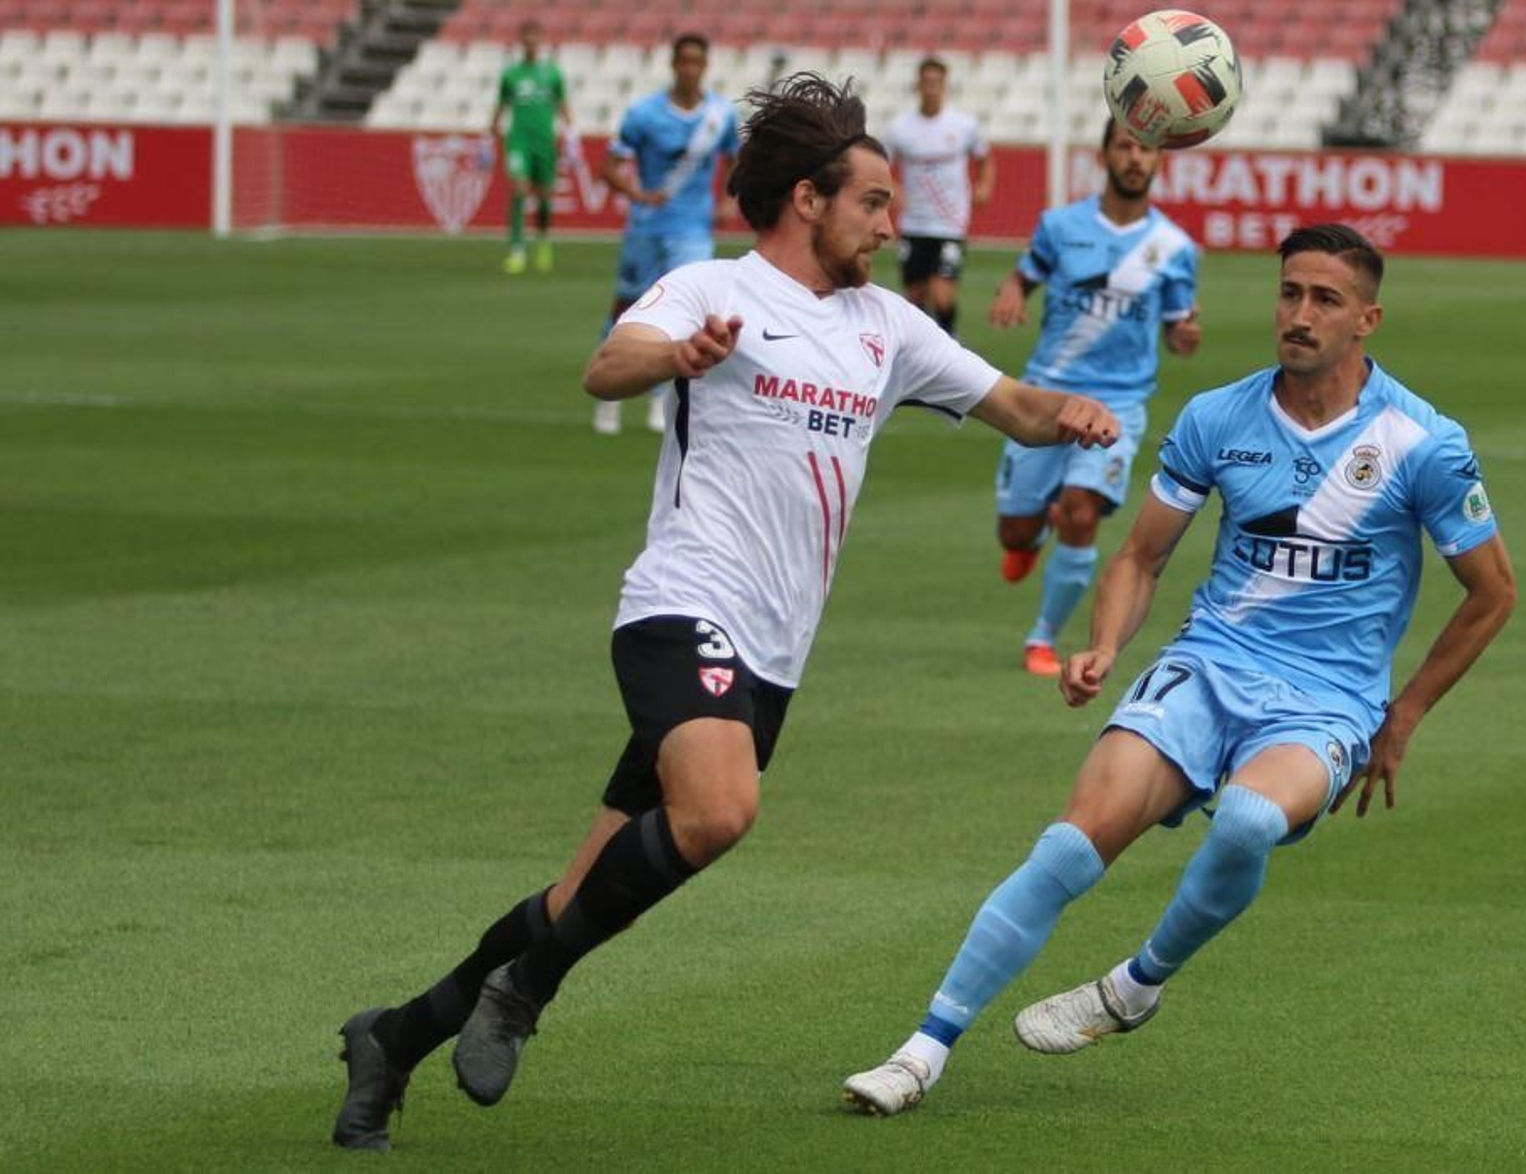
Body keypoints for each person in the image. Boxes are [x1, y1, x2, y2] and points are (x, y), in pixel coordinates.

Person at [330, 73, 1122, 1151]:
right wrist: (682, 352)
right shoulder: (708, 285)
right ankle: (523, 995)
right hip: (681, 604)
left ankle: (393, 1036)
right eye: (874, 204)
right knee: (718, 814)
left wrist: (1067, 413)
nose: (893, 227)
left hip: (773, 651)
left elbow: (1013, 406)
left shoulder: (885, 327)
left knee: (582, 888)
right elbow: (606, 365)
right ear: (808, 199)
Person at [842, 223, 1517, 1117]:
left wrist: (1406, 715)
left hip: (1327, 701)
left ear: (1368, 320)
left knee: (1244, 822)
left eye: (1325, 300)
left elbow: (1493, 591)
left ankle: (1135, 984)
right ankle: (922, 1050)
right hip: (1207, 666)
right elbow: (1139, 559)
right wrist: (1107, 645)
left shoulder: (1422, 441)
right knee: (1070, 846)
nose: (1300, 314)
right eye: (1289, 293)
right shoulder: (1219, 418)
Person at [991, 117, 1201, 678]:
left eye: (1147, 150)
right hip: (1045, 396)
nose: (1136, 158)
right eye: (1126, 146)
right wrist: (1012, 291)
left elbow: (1180, 326)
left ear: (1159, 163)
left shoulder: (1174, 248)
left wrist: (1183, 337)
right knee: (1013, 531)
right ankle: (1030, 533)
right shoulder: (1059, 227)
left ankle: (1042, 638)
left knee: (1083, 514)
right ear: (1105, 155)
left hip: (1119, 405)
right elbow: (1024, 275)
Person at [592, 33, 740, 436]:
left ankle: (661, 398)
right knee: (626, 307)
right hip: (647, 226)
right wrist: (639, 194)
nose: (690, 69)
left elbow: (735, 159)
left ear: (705, 66)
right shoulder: (644, 114)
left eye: (698, 62)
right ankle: (609, 395)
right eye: (685, 61)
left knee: (687, 313)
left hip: (693, 230)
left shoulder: (720, 115)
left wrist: (728, 198)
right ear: (674, 65)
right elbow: (608, 168)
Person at [880, 57, 995, 337]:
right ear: (917, 85)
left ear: (945, 85)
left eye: (937, 82)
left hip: (949, 223)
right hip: (914, 223)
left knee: (942, 295)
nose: (931, 88)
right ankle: (920, 355)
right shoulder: (898, 127)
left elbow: (985, 158)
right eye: (926, 82)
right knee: (916, 297)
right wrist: (892, 189)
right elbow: (878, 165)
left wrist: (984, 185)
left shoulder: (964, 125)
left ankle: (949, 344)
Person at [489, 20, 573, 275]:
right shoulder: (511, 74)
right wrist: (490, 132)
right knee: (519, 189)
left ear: (541, 40)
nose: (530, 42)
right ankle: (517, 250)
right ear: (521, 40)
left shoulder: (552, 73)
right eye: (526, 37)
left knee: (544, 196)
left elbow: (563, 106)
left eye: (535, 37)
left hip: (545, 140)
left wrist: (572, 135)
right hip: (518, 139)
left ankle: (544, 240)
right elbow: (501, 105)